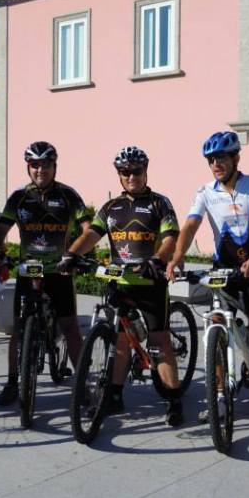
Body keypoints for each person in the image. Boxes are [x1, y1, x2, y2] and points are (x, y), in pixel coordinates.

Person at [167, 130, 249, 438]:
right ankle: (220, 397)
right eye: (211, 159)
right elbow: (191, 224)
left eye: (221, 157)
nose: (216, 164)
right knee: (215, 330)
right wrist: (178, 256)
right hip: (223, 271)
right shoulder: (205, 192)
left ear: (235, 158)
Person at [60, 145, 184, 426]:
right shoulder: (111, 207)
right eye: (125, 172)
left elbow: (169, 239)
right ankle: (114, 395)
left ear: (145, 170)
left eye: (136, 171)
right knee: (120, 341)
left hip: (151, 284)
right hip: (120, 285)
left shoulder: (159, 203)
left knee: (160, 343)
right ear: (118, 174)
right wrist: (72, 254)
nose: (131, 176)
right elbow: (92, 234)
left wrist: (157, 258)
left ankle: (174, 399)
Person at [0, 141, 92, 406]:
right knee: (18, 329)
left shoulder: (68, 196)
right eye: (34, 165)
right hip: (28, 271)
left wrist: (78, 254)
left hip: (60, 270)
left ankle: (82, 385)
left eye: (45, 164)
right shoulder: (18, 198)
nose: (40, 170)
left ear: (54, 166)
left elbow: (89, 228)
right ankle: (12, 383)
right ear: (28, 168)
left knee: (70, 327)